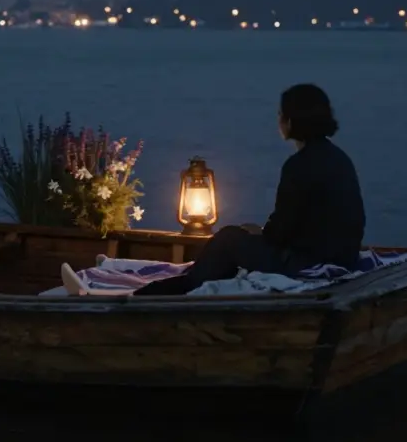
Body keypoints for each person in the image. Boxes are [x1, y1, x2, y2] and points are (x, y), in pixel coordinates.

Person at [132, 83, 366, 296]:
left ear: (291, 121)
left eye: (280, 114)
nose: (278, 119)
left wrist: (261, 233)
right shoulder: (339, 158)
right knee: (239, 238)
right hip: (342, 256)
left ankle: (186, 287)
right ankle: (194, 280)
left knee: (229, 238)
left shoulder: (299, 165)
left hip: (307, 262)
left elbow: (282, 229)